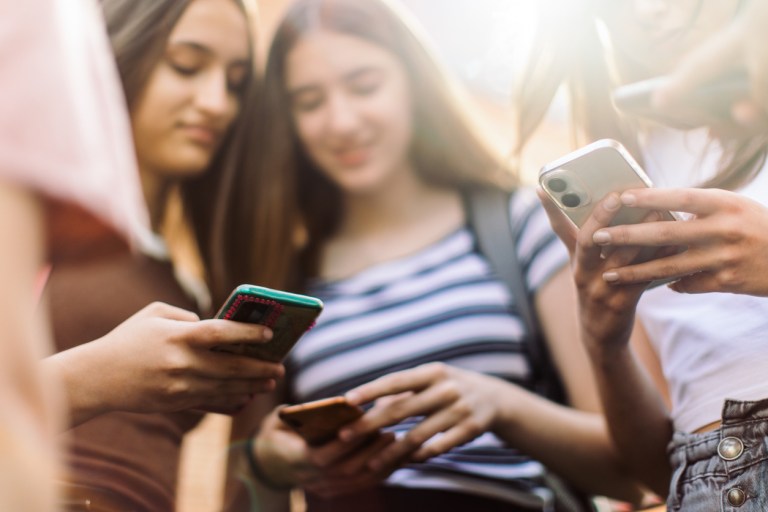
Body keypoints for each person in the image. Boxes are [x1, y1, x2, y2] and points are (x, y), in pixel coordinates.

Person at [222, 0, 645, 511]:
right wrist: (268, 462)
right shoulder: (280, 278)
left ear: (413, 83)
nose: (341, 121)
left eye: (364, 86)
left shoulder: (521, 224)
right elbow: (244, 489)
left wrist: (501, 405)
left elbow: (635, 473)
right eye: (309, 102)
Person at [517, 0, 768, 508]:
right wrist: (603, 343)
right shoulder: (629, 180)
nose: (648, 11)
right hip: (713, 481)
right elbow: (655, 471)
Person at [40, 1, 286, 511]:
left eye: (236, 83)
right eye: (186, 66)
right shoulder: (29, 224)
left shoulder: (193, 288)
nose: (218, 103)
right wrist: (97, 376)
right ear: (118, 53)